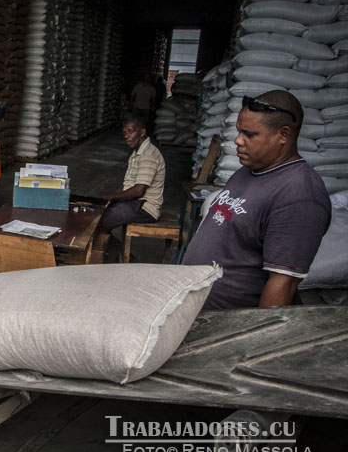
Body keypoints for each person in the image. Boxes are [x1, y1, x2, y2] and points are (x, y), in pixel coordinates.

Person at [183, 90, 331, 310]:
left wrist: (252, 339)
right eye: (239, 131)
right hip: (193, 310)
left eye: (249, 134)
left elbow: (283, 284)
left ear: (283, 135)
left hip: (224, 327)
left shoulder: (299, 195)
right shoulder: (249, 170)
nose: (238, 140)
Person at [99, 115, 166, 239]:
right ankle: (110, 251)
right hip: (135, 203)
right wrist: (108, 201)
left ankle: (110, 252)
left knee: (103, 220)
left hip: (146, 208)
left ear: (142, 132)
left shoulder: (148, 155)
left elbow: (138, 191)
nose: (126, 136)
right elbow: (127, 184)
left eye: (130, 132)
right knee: (99, 214)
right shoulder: (137, 153)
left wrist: (111, 197)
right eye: (124, 133)